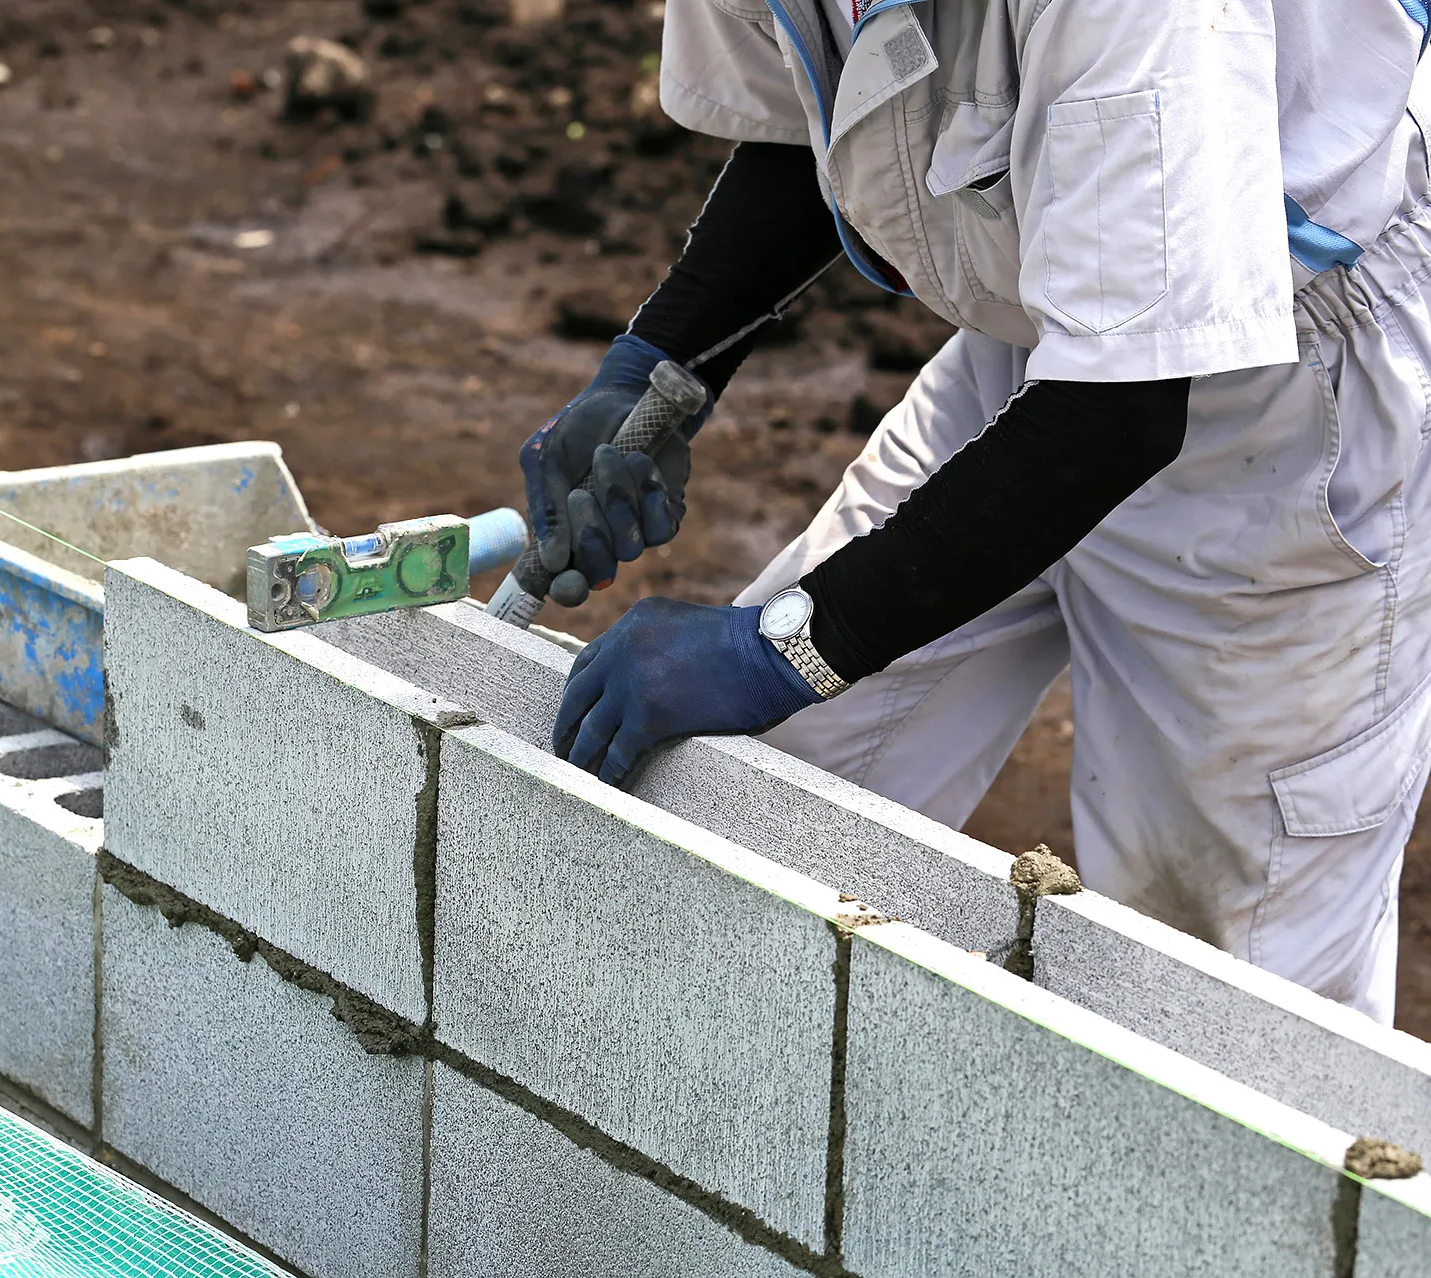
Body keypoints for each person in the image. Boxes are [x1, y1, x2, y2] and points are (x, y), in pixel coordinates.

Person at [526, 0, 1431, 1024]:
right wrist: (658, 361)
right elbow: (829, 112)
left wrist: (778, 648)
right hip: (1040, 320)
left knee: (1227, 986)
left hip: (1286, 377)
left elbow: (1117, 414)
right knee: (762, 791)